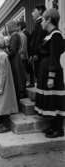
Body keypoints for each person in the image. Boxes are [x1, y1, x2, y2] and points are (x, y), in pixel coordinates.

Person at [35, 9, 65, 138]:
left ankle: (59, 129)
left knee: (55, 100)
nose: (41, 22)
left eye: (43, 20)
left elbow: (54, 57)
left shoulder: (56, 35)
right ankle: (53, 126)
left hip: (52, 73)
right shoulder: (49, 34)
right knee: (50, 100)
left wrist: (51, 76)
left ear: (48, 20)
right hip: (45, 71)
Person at [7, 21, 27, 103]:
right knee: (17, 77)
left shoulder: (14, 36)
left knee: (17, 78)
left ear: (11, 27)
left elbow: (13, 50)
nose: (7, 29)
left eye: (8, 27)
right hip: (16, 58)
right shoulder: (16, 35)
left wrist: (6, 54)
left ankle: (17, 100)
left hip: (15, 59)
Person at [29, 5, 47, 87]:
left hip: (39, 55)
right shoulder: (38, 23)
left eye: (34, 11)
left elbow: (38, 39)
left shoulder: (41, 23)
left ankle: (42, 96)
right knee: (38, 75)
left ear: (40, 11)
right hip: (37, 54)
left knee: (40, 75)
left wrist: (35, 53)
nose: (32, 13)